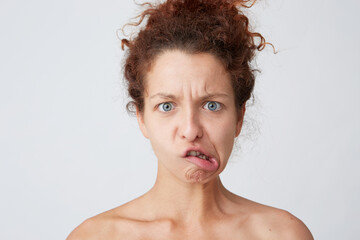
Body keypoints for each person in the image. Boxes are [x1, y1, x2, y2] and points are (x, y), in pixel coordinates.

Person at [67, 0, 314, 239]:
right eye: (166, 106)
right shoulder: (94, 237)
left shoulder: (283, 234)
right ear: (142, 119)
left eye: (211, 105)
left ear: (239, 117)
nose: (190, 130)